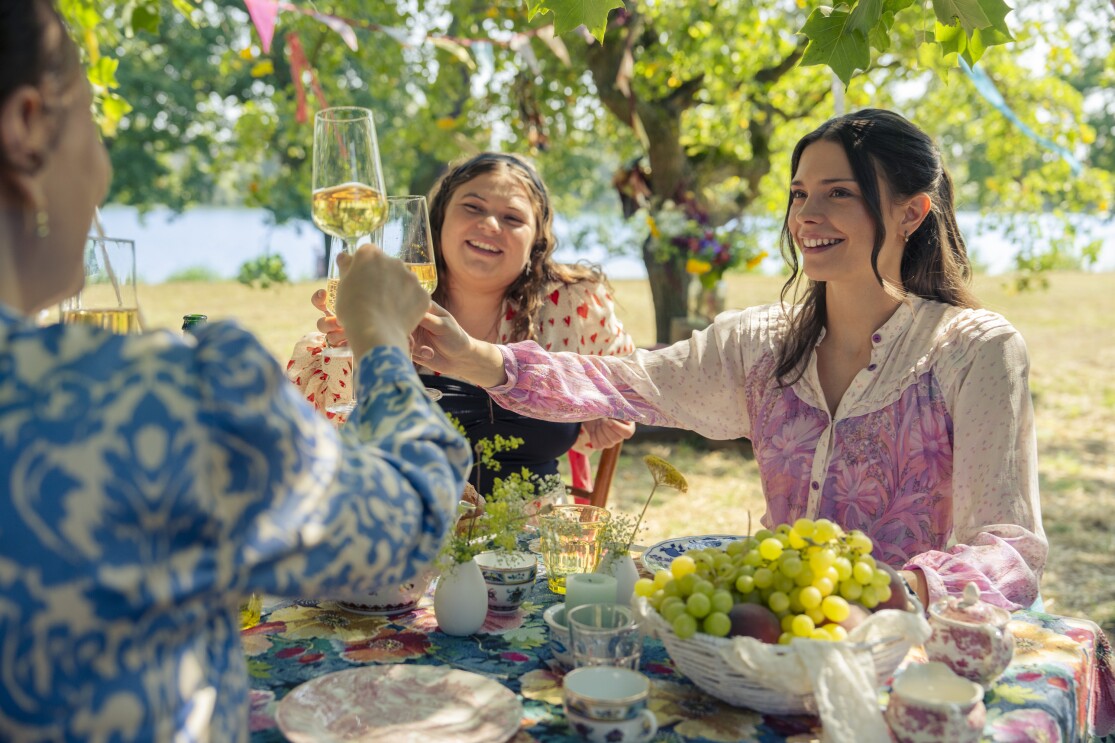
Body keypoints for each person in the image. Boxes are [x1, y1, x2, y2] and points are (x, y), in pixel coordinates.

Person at [0, 2, 470, 739]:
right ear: (27, 128)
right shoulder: (151, 399)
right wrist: (379, 332)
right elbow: (407, 520)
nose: (103, 169)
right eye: (92, 118)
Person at [413, 109, 1048, 612]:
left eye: (839, 193)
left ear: (911, 212)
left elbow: (1010, 549)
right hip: (768, 636)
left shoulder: (975, 351)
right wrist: (474, 357)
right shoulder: (759, 344)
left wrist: (895, 594)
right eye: (799, 193)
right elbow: (621, 382)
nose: (807, 216)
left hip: (907, 652)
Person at [287, 152, 637, 496]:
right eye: (473, 207)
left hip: (539, 529)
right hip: (418, 523)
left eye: (512, 217)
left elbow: (631, 388)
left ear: (536, 240)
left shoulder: (573, 306)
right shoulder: (386, 301)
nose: (490, 225)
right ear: (439, 219)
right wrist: (358, 347)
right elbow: (329, 442)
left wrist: (599, 410)